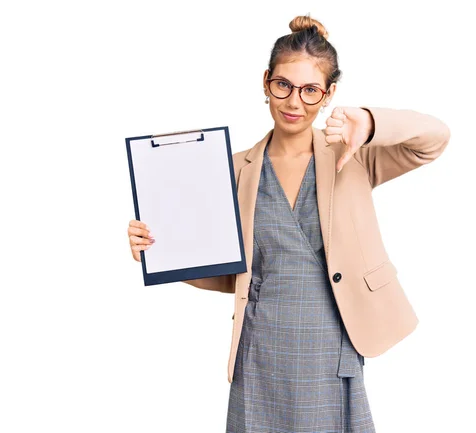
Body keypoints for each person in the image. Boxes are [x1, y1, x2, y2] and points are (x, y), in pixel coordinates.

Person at [127, 14, 450, 433]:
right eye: (283, 85)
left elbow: (435, 139)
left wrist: (369, 123)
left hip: (331, 341)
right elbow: (228, 272)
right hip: (261, 345)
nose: (294, 102)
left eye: (310, 90)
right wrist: (157, 251)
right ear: (266, 82)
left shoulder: (353, 157)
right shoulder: (233, 171)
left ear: (329, 94)